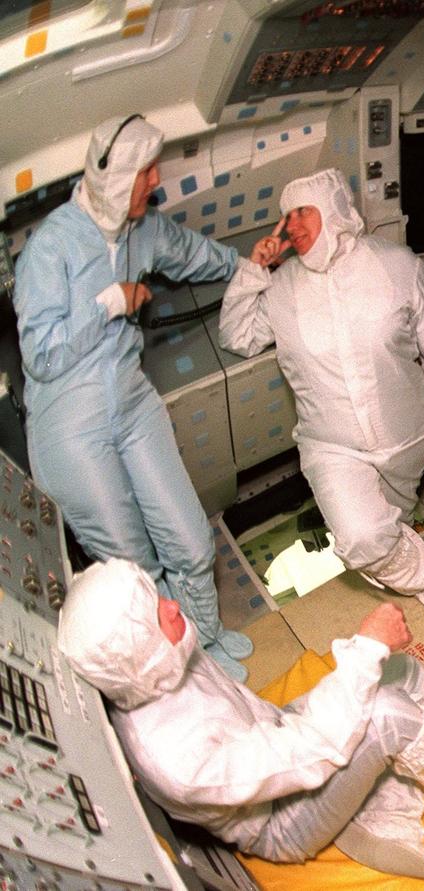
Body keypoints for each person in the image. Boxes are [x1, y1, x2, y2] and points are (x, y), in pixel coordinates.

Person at [57, 558, 424, 881]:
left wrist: (374, 655)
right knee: (385, 713)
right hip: (280, 820)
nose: (171, 605)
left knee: (403, 671)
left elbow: (287, 739)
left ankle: (368, 799)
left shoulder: (150, 666)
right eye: (155, 613)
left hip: (274, 734)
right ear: (135, 650)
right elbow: (310, 752)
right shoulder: (175, 757)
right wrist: (368, 645)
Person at [14, 115, 252, 681]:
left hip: (132, 404)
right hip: (69, 430)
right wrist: (108, 304)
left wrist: (252, 266)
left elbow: (194, 254)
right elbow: (41, 356)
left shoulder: (143, 230)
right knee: (136, 568)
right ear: (115, 177)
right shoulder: (50, 249)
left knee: (192, 543)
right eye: (147, 171)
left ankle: (206, 640)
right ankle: (179, 666)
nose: (157, 180)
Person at [219, 169, 424, 614]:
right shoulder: (280, 287)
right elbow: (238, 336)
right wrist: (254, 268)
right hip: (332, 446)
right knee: (362, 537)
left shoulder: (398, 265)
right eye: (285, 217)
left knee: (393, 519)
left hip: (406, 436)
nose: (291, 226)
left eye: (301, 212)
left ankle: (403, 547)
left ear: (333, 210)